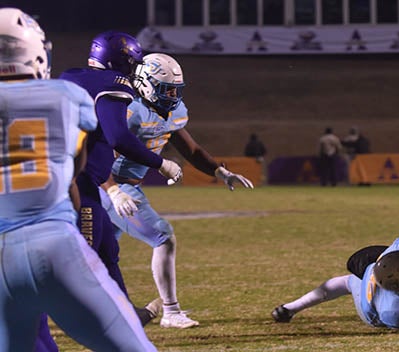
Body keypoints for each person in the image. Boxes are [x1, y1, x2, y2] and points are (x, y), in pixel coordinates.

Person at [0, 8, 156, 351]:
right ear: (36, 51)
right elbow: (75, 169)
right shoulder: (66, 97)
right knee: (129, 343)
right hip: (52, 241)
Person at [101, 53, 254, 329]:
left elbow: (191, 150)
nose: (172, 95)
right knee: (163, 236)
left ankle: (115, 315)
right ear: (146, 84)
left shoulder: (170, 111)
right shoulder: (130, 110)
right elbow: (98, 157)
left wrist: (220, 171)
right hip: (110, 186)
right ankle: (171, 312)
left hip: (124, 187)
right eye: (166, 89)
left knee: (99, 256)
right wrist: (112, 190)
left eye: (175, 89)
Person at [59, 31, 183, 323]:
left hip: (73, 177)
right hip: (77, 183)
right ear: (120, 61)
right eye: (131, 61)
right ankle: (62, 319)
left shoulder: (70, 75)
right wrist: (160, 163)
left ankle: (125, 314)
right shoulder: (113, 84)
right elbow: (118, 137)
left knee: (107, 249)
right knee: (84, 257)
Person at [271, 232, 399, 330]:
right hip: (372, 312)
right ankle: (290, 308)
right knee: (351, 282)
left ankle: (289, 308)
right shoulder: (397, 309)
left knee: (348, 281)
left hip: (376, 269)